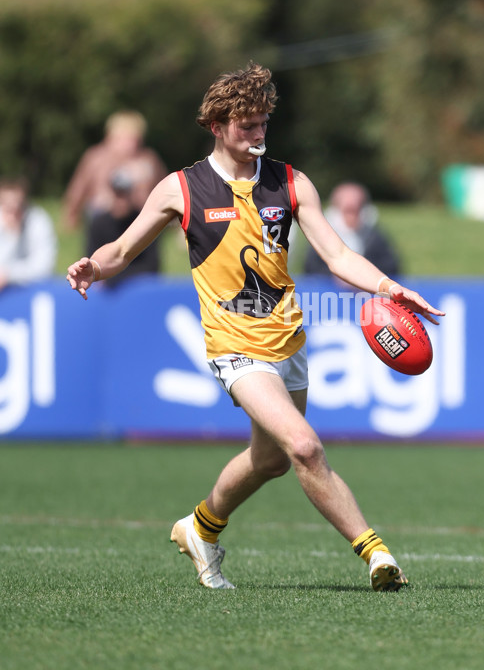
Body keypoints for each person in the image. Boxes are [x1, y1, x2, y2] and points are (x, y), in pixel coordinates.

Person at [66, 62, 444, 592]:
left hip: (287, 340)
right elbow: (123, 249)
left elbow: (336, 254)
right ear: (217, 125)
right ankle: (377, 555)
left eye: (264, 123)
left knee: (270, 461)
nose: (258, 134)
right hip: (234, 346)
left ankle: (200, 528)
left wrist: (388, 287)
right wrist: (94, 266)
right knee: (305, 447)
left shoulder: (290, 182)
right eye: (247, 125)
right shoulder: (182, 188)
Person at [62, 110, 166, 230]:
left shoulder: (149, 159)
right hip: (102, 217)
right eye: (123, 138)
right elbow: (78, 188)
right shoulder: (96, 157)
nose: (129, 144)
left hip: (140, 218)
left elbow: (166, 189)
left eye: (133, 139)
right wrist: (71, 215)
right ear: (111, 136)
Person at [86, 160, 161, 288]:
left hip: (138, 288)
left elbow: (152, 265)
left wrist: (113, 277)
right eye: (117, 194)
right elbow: (89, 260)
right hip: (108, 290)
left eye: (124, 194)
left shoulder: (144, 221)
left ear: (131, 194)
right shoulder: (99, 223)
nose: (121, 201)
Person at [303, 181, 401, 277]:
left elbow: (391, 268)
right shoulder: (321, 236)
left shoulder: (375, 237)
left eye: (355, 210)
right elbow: (311, 268)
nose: (352, 216)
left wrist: (366, 277)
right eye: (348, 210)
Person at [0, 176, 57, 291]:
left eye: (18, 206)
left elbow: (44, 266)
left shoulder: (38, 221)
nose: (13, 213)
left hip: (32, 289)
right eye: (8, 208)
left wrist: (9, 274)